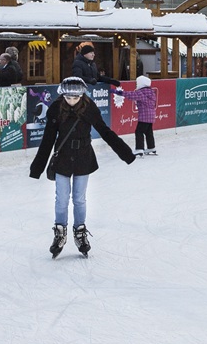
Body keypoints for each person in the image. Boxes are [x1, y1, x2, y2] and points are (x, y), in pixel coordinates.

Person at [29, 76, 136, 257]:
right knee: (61, 199)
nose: (71, 101)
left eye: (75, 98)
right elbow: (48, 139)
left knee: (79, 198)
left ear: (82, 96)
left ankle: (80, 231)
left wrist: (125, 153)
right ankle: (60, 232)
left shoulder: (89, 108)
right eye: (68, 98)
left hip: (83, 157)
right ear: (63, 95)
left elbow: (105, 132)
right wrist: (37, 168)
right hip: (62, 158)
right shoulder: (56, 109)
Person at [113, 75, 159, 156]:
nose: (136, 85)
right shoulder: (151, 92)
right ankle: (151, 147)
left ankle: (139, 148)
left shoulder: (141, 92)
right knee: (148, 132)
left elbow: (131, 95)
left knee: (139, 131)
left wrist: (119, 92)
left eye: (137, 83)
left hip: (144, 116)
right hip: (151, 116)